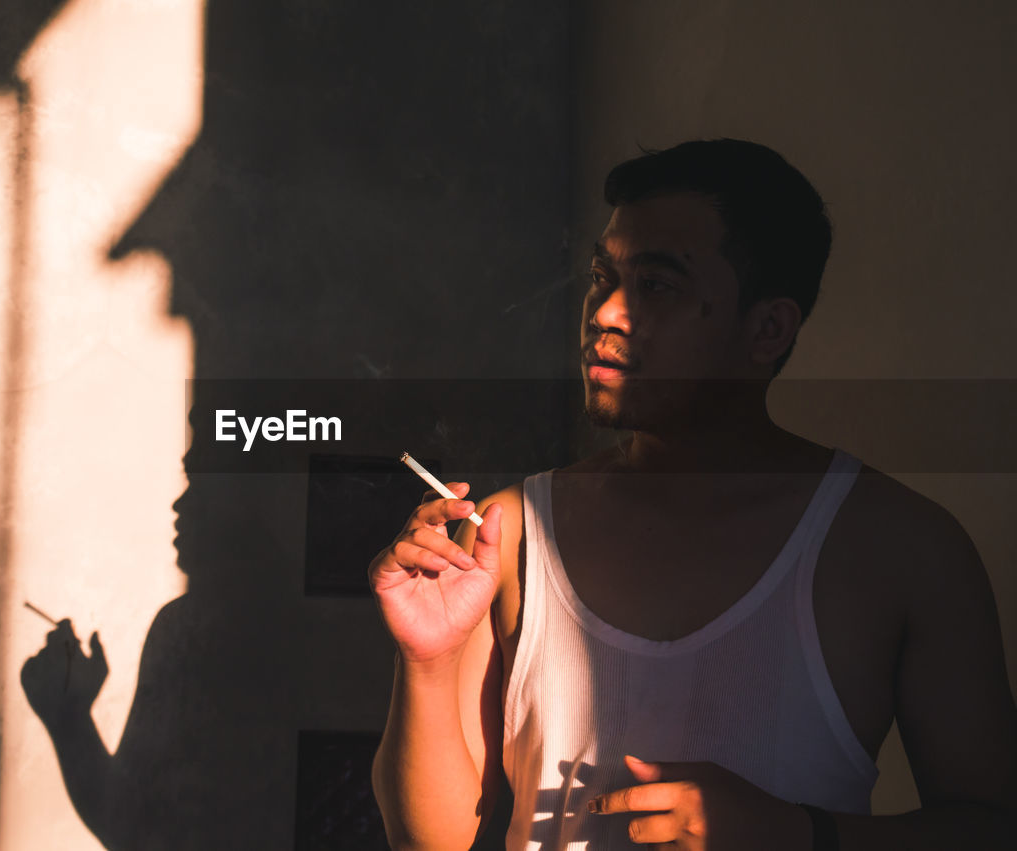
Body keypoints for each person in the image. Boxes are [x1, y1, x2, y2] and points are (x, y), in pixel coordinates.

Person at [368, 139, 1017, 850]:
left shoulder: (902, 549)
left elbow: (989, 826)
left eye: (656, 285)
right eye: (600, 275)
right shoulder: (509, 531)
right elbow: (428, 843)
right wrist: (428, 665)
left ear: (768, 328)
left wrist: (793, 834)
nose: (605, 313)